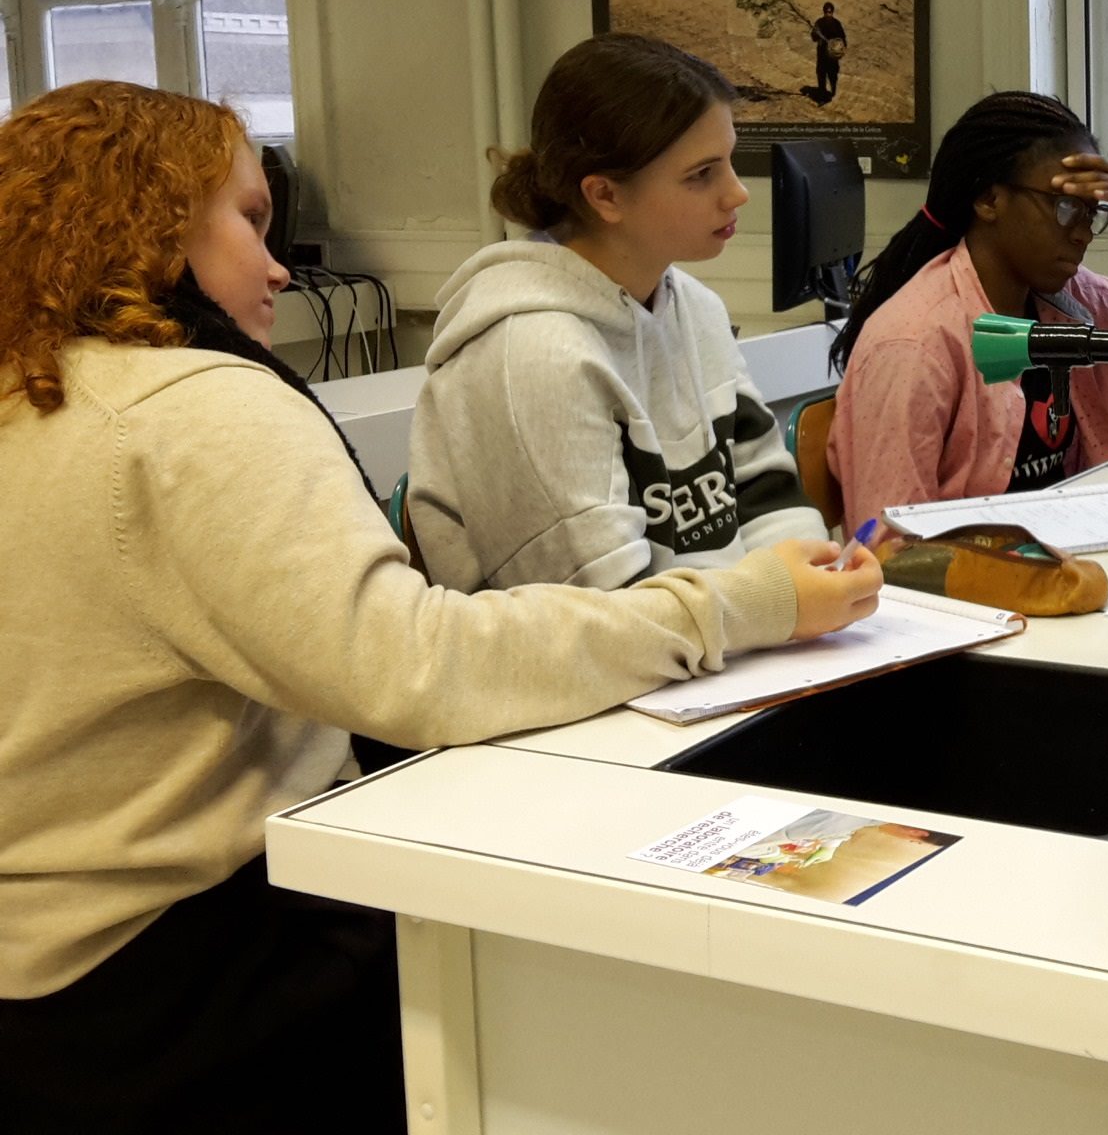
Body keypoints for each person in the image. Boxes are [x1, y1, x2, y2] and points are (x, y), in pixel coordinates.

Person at [0, 81, 881, 1132]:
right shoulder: (192, 406)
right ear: (147, 220)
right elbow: (420, 668)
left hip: (45, 973)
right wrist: (729, 608)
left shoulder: (38, 390)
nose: (279, 266)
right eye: (248, 220)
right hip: (188, 971)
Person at [409, 33, 829, 593]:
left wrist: (816, 573)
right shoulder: (531, 352)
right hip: (613, 665)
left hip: (729, 645)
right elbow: (599, 613)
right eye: (701, 174)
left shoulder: (694, 308)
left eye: (730, 161)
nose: (736, 193)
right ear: (605, 196)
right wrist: (779, 603)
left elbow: (761, 487)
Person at [825, 90, 1108, 531]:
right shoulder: (913, 345)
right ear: (989, 199)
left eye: (1093, 214)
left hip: (1078, 548)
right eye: (1066, 207)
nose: (1083, 234)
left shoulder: (1085, 305)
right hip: (979, 589)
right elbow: (886, 546)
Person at [811, 2, 847, 103]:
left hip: (832, 56)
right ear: (824, 12)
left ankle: (833, 91)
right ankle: (822, 97)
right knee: (821, 74)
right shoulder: (819, 23)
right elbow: (814, 38)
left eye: (830, 12)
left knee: (833, 75)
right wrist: (816, 34)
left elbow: (843, 38)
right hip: (822, 53)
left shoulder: (837, 23)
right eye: (827, 12)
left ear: (832, 12)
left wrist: (842, 49)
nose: (828, 14)